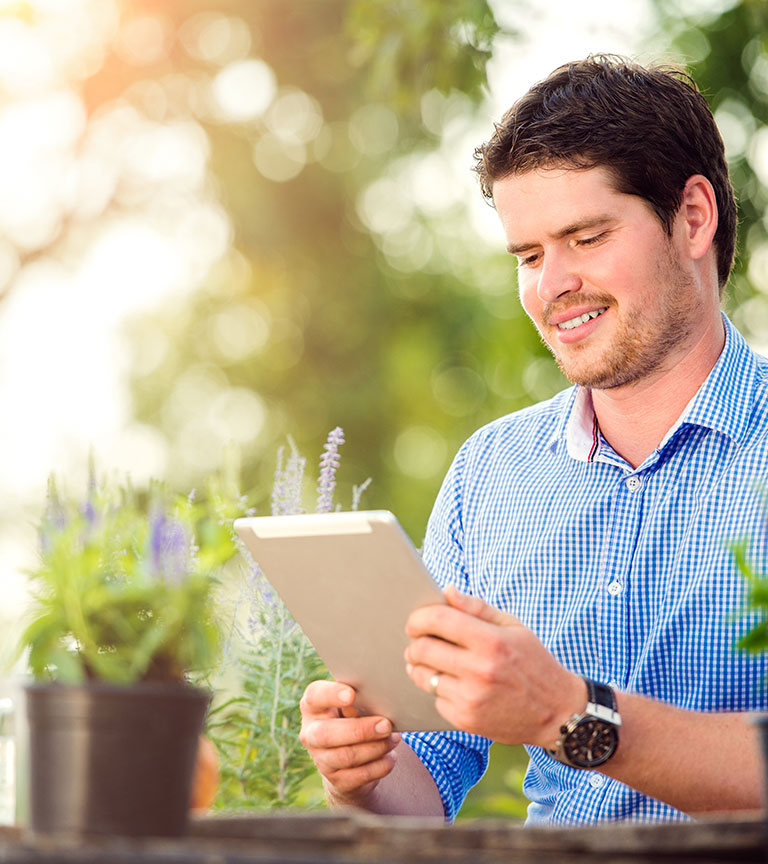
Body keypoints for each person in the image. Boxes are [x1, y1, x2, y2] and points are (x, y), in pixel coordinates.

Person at [299, 54, 768, 825]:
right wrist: (364, 773)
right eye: (528, 255)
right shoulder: (490, 472)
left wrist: (569, 714)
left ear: (692, 217)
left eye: (585, 237)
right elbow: (429, 777)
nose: (551, 286)